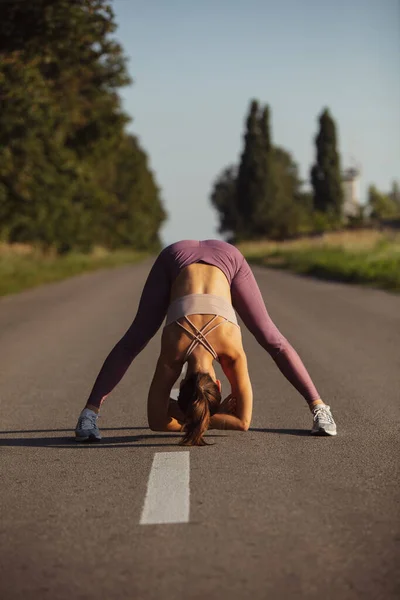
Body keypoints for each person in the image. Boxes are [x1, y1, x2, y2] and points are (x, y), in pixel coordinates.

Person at [75, 239, 337, 445]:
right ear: (183, 384)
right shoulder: (184, 355)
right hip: (217, 257)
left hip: (182, 258)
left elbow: (159, 421)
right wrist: (198, 417)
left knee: (134, 340)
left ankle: (89, 413)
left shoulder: (207, 354)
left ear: (219, 385)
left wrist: (200, 417)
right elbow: (241, 422)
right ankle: (318, 406)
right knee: (272, 340)